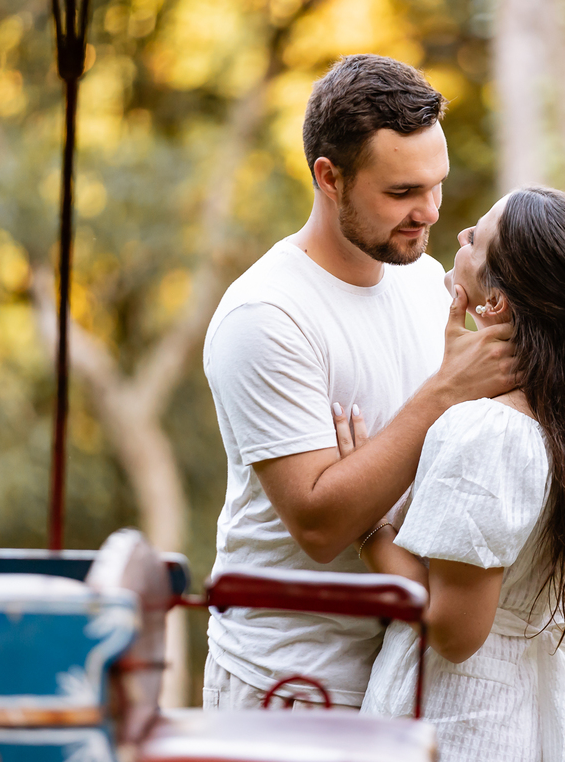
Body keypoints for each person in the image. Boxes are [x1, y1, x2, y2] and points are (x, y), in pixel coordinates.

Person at [200, 54, 519, 710]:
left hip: (407, 678)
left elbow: (488, 440)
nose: (429, 212)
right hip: (290, 684)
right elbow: (318, 526)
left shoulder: (425, 284)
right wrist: (444, 395)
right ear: (329, 177)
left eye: (436, 185)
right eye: (402, 193)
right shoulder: (266, 314)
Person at [346, 187, 565, 761]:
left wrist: (368, 528)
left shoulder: (485, 432)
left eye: (475, 238)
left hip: (464, 722)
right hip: (529, 704)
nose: (459, 238)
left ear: (494, 304)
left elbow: (455, 632)